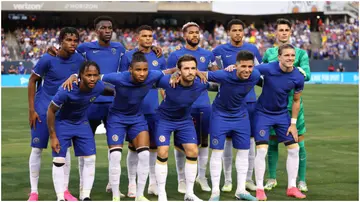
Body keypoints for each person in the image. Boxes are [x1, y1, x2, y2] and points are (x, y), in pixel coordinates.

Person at [97, 51, 176, 201]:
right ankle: (115, 195)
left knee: (145, 154)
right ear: (130, 70)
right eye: (138, 70)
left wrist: (178, 72)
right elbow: (94, 76)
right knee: (115, 155)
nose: (142, 73)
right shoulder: (118, 77)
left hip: (137, 118)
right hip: (117, 118)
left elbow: (169, 71)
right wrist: (74, 76)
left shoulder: (152, 75)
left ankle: (139, 195)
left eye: (145, 70)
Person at [27, 27, 84, 201]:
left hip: (64, 113)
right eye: (68, 40)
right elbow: (32, 80)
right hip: (43, 110)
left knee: (63, 150)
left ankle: (64, 190)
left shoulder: (80, 59)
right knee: (37, 149)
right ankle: (34, 192)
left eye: (75, 40)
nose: (72, 43)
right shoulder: (48, 59)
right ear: (60, 42)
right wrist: (32, 110)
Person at [47, 61, 114, 201]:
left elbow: (113, 91)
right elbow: (51, 111)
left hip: (82, 123)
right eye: (88, 75)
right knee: (59, 160)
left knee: (90, 159)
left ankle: (85, 196)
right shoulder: (67, 89)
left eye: (95, 75)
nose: (92, 78)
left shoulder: (98, 86)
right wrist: (53, 136)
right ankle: (60, 197)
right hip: (63, 123)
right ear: (81, 75)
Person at [199, 50, 260, 201]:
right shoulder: (224, 75)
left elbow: (274, 67)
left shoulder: (256, 75)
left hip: (241, 115)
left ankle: (240, 190)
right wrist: (175, 73)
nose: (247, 70)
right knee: (217, 152)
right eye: (243, 66)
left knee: (244, 151)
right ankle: (215, 193)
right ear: (236, 66)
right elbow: (199, 73)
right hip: (220, 115)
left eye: (250, 66)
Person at [155, 54, 216, 201]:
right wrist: (171, 73)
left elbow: (220, 83)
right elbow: (150, 77)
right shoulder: (169, 82)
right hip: (164, 119)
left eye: (193, 68)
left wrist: (232, 69)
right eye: (186, 68)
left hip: (184, 120)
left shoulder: (201, 83)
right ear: (179, 70)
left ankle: (189, 193)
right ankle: (162, 194)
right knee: (162, 152)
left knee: (193, 151)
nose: (190, 72)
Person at [167, 22, 218, 193]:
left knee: (204, 143)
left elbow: (217, 76)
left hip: (203, 105)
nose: (195, 35)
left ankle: (201, 177)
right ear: (184, 35)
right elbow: (167, 82)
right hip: (182, 107)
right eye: (191, 33)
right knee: (181, 144)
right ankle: (182, 179)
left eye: (197, 32)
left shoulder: (207, 54)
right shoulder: (175, 55)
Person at [212, 19, 262, 192]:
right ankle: (227, 180)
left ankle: (248, 179)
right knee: (226, 141)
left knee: (249, 141)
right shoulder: (219, 51)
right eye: (234, 30)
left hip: (249, 101)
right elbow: (213, 71)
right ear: (228, 32)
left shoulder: (253, 50)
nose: (238, 33)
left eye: (241, 30)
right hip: (227, 103)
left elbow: (260, 72)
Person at [262, 18, 311, 192]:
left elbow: (307, 75)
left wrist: (289, 74)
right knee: (272, 142)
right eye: (280, 30)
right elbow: (262, 75)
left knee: (299, 143)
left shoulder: (300, 54)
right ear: (275, 33)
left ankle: (301, 180)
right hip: (274, 106)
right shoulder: (269, 53)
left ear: (291, 32)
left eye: (286, 30)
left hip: (294, 104)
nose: (283, 32)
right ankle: (271, 178)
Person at [119, 25, 167, 198]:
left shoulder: (158, 56)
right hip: (134, 110)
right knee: (133, 147)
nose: (148, 39)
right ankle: (132, 184)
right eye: (144, 36)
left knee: (153, 147)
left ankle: (152, 184)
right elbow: (123, 80)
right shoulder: (128, 56)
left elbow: (163, 81)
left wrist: (165, 96)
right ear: (137, 38)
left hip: (153, 108)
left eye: (150, 36)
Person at [253, 44, 306, 200]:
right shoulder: (268, 68)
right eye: (286, 55)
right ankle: (260, 189)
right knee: (262, 150)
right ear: (279, 57)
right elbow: (248, 71)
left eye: (292, 56)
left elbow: (296, 101)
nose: (290, 58)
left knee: (294, 149)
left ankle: (292, 187)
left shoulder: (298, 76)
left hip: (282, 115)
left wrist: (293, 124)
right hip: (262, 113)